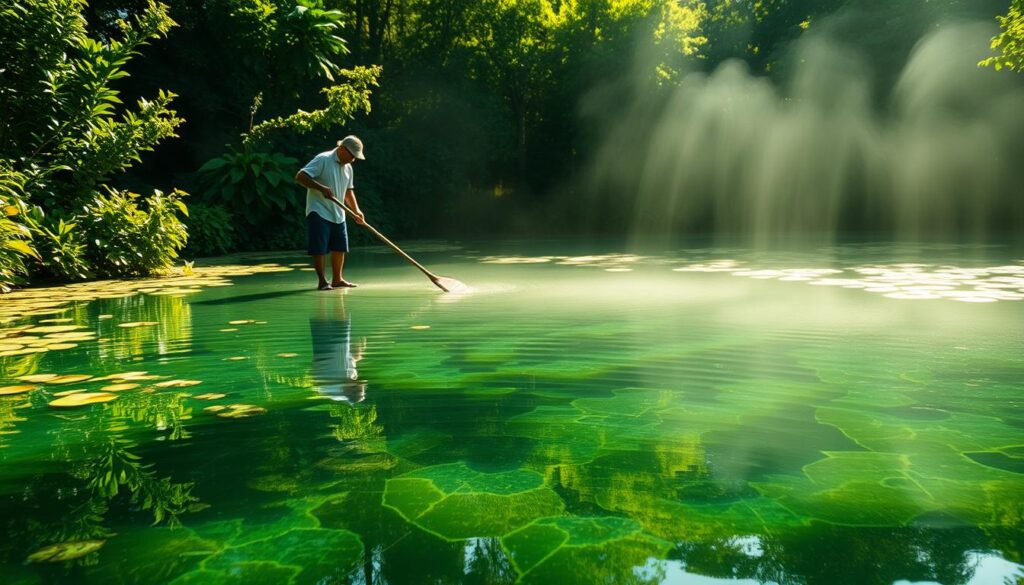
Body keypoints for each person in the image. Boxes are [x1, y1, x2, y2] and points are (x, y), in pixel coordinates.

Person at [295, 135, 367, 290]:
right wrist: (321, 188)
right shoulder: (323, 159)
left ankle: (337, 279)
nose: (353, 159)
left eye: (355, 157)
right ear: (342, 148)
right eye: (352, 155)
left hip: (338, 212)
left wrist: (356, 210)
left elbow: (348, 191)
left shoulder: (348, 168)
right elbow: (300, 176)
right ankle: (322, 281)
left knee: (340, 247)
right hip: (319, 210)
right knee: (319, 248)